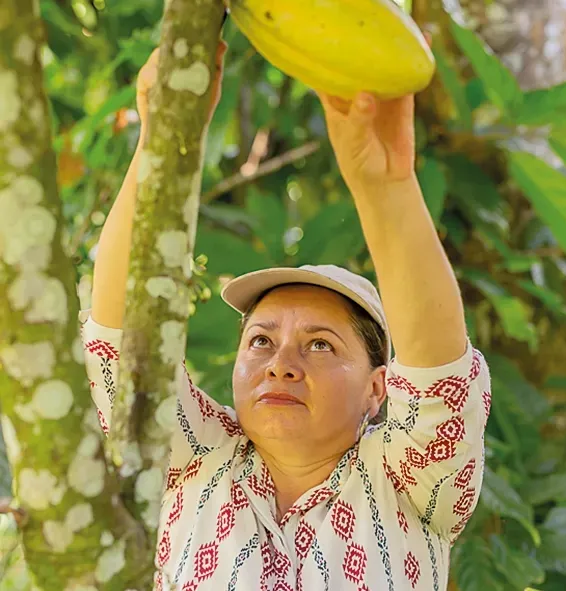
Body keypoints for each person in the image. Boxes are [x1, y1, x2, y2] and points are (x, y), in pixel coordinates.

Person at [80, 35, 491, 591]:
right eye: (260, 341)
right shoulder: (193, 456)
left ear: (378, 389)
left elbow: (440, 378)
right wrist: (162, 141)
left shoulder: (408, 482)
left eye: (320, 344)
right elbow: (119, 340)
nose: (280, 365)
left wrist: (385, 186)